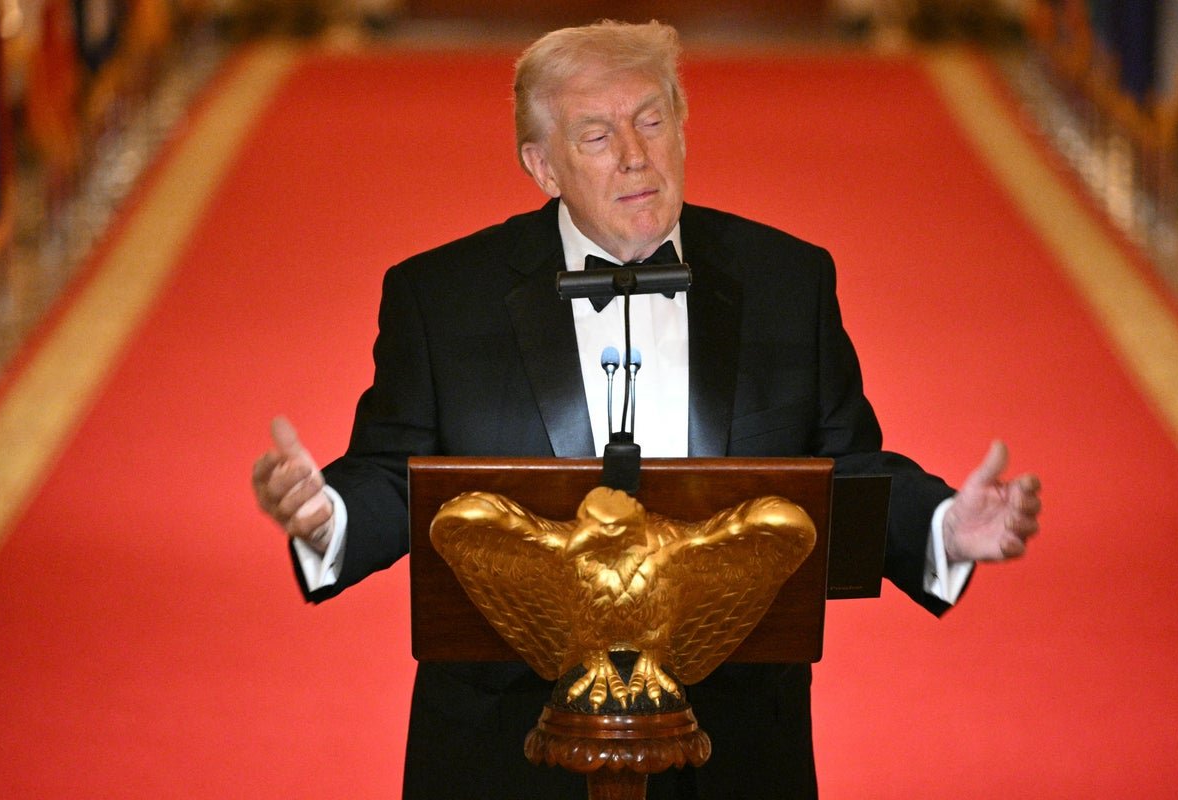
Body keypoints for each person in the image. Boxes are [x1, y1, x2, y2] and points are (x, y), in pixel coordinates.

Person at [252, 19, 1041, 799]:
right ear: (542, 166)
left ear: (683, 129)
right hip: (503, 748)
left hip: (733, 747)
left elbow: (845, 469)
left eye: (653, 121)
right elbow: (394, 474)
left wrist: (945, 526)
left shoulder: (785, 281)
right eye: (596, 136)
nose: (636, 155)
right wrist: (327, 515)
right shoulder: (442, 297)